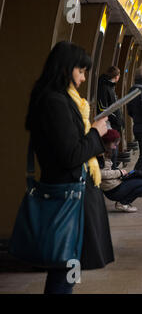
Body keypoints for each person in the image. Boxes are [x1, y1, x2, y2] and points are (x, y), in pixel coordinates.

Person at [25, 41, 114, 294]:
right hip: (67, 195)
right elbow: (71, 154)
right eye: (81, 71)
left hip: (68, 191)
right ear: (66, 69)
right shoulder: (55, 102)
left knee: (67, 265)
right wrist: (95, 133)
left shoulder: (58, 100)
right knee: (65, 267)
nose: (84, 78)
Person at [99, 129, 142, 213]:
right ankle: (123, 203)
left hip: (114, 184)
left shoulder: (106, 151)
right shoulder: (100, 155)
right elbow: (101, 174)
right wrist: (119, 172)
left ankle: (124, 202)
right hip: (112, 189)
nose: (115, 147)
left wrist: (121, 173)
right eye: (114, 144)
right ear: (107, 142)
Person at [97, 66, 123, 169]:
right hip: (108, 124)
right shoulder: (104, 87)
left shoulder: (111, 87)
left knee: (114, 149)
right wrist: (115, 118)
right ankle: (111, 171)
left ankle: (114, 170)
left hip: (114, 123)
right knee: (112, 150)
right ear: (117, 76)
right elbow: (103, 107)